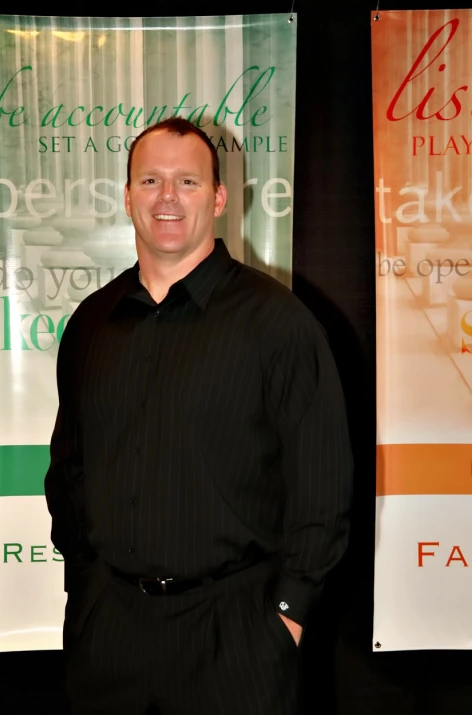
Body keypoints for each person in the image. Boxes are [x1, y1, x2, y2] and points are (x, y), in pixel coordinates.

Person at [45, 117, 353, 715]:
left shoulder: (277, 323)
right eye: (151, 179)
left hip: (235, 636)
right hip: (108, 635)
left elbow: (322, 487)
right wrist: (83, 591)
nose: (167, 197)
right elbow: (69, 469)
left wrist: (285, 618)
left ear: (217, 197)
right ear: (127, 194)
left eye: (187, 181)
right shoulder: (91, 324)